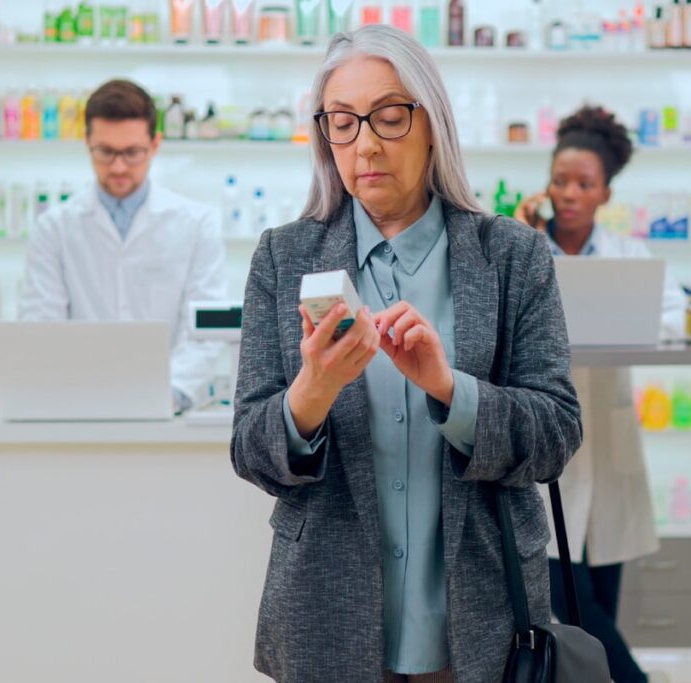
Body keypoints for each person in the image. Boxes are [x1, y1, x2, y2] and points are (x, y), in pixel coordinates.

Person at [232, 25, 582, 683]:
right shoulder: (284, 259)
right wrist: (313, 389)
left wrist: (452, 389)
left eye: (389, 117)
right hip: (327, 622)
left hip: (484, 626)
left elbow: (557, 433)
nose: (365, 143)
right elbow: (250, 448)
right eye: (343, 123)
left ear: (432, 125)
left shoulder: (512, 257)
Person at [515, 105, 686, 683]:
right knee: (574, 606)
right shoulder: (524, 248)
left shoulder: (627, 257)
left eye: (584, 184)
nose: (569, 194)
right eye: (560, 181)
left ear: (605, 193)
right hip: (551, 454)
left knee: (601, 609)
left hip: (609, 454)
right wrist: (519, 236)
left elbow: (675, 313)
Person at [18, 79, 227, 412]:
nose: (118, 166)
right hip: (78, 409)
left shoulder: (196, 223)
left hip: (172, 412)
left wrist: (166, 395)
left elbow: (203, 331)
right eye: (105, 152)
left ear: (155, 144)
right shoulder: (54, 228)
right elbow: (41, 327)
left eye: (132, 153)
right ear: (87, 142)